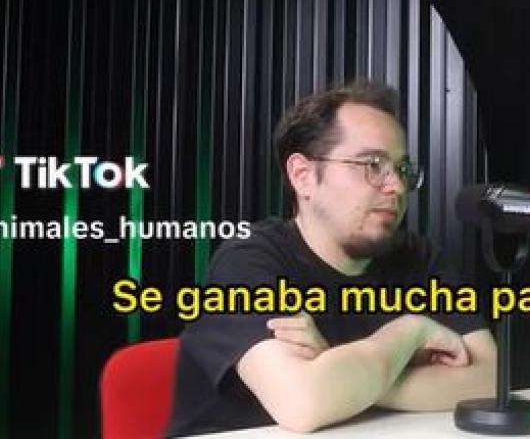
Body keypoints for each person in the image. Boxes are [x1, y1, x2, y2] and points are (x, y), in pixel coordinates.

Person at [166, 82, 496, 436]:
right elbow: (303, 403)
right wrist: (410, 333)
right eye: (372, 164)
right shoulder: (248, 262)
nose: (397, 187)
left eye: (401, 169)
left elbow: (489, 379)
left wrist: (345, 373)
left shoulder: (421, 258)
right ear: (303, 176)